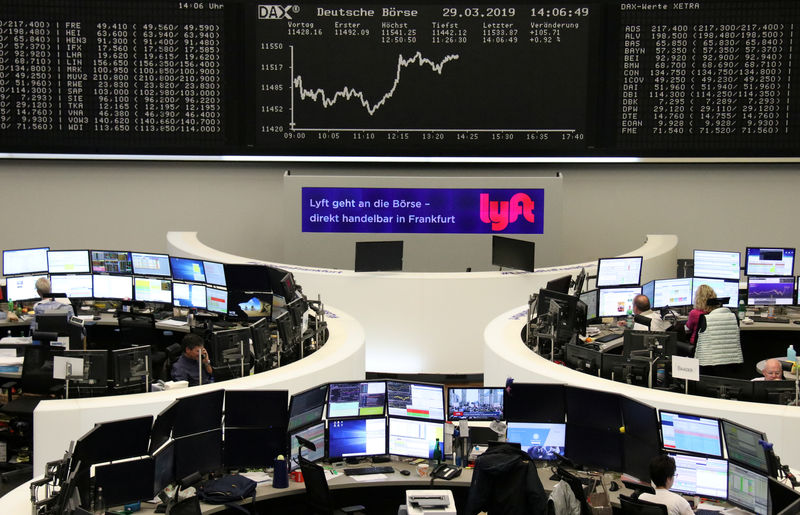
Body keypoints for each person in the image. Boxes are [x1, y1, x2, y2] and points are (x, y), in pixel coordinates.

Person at [694, 296, 743, 376]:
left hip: (707, 364)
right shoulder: (734, 317)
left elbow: (696, 342)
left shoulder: (705, 318)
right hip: (732, 363)